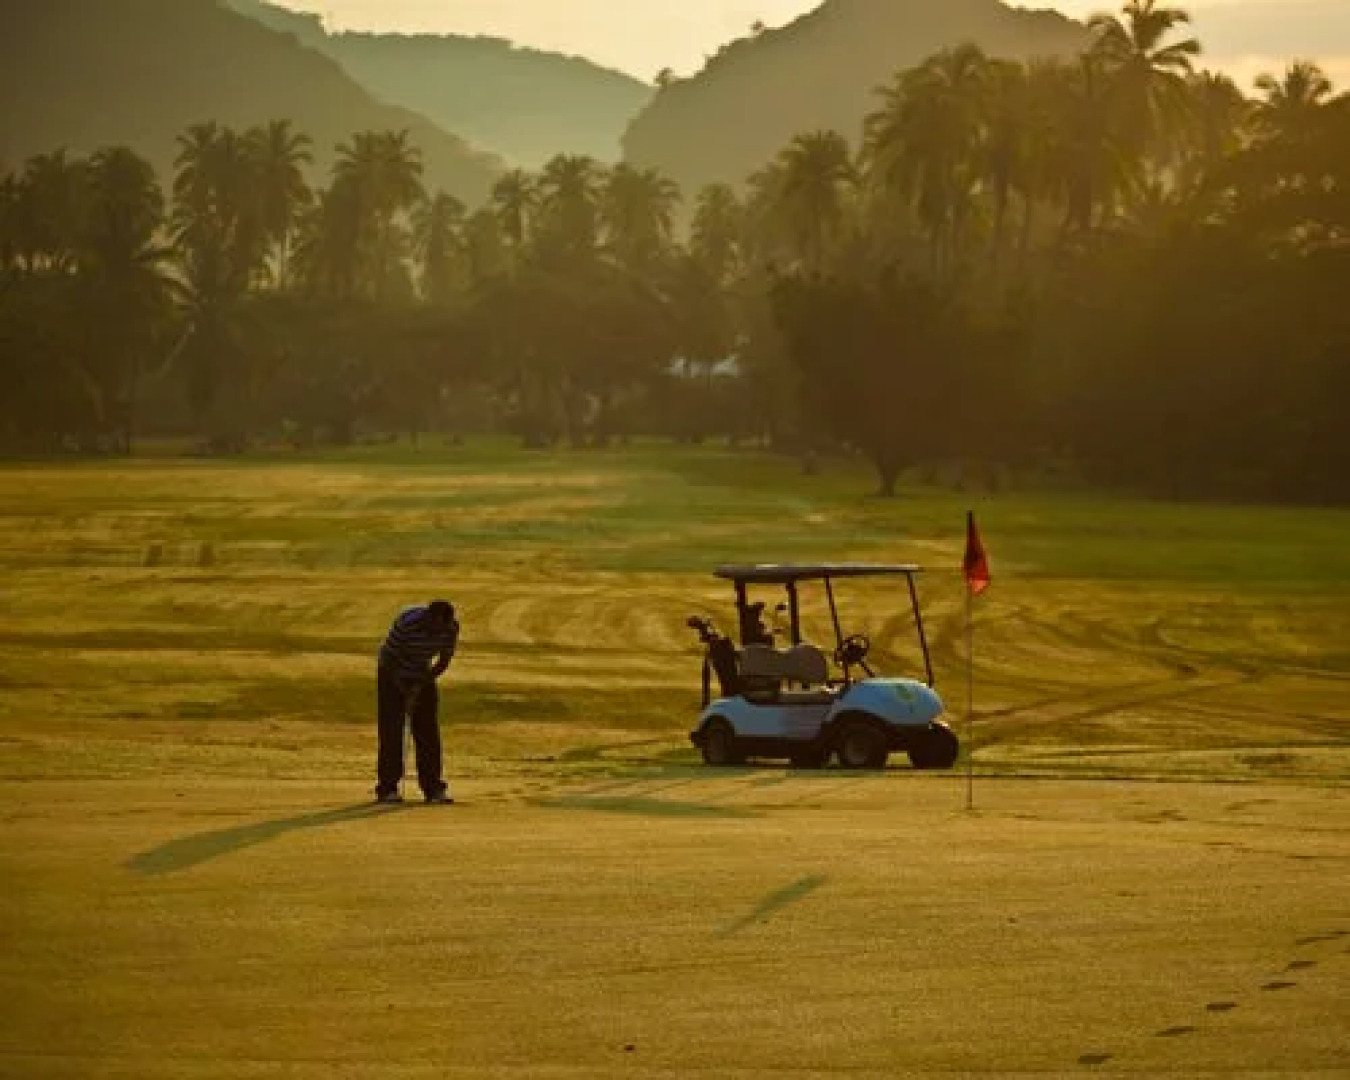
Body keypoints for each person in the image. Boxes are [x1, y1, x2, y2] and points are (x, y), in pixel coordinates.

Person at [375, 600, 460, 804]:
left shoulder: (451, 628)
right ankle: (387, 788)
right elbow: (390, 661)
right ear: (428, 618)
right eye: (434, 626)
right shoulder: (406, 624)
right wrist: (404, 691)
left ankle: (433, 788)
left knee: (428, 731)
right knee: (392, 730)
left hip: (422, 672)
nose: (437, 631)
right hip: (391, 672)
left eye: (442, 627)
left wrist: (419, 686)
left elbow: (443, 662)